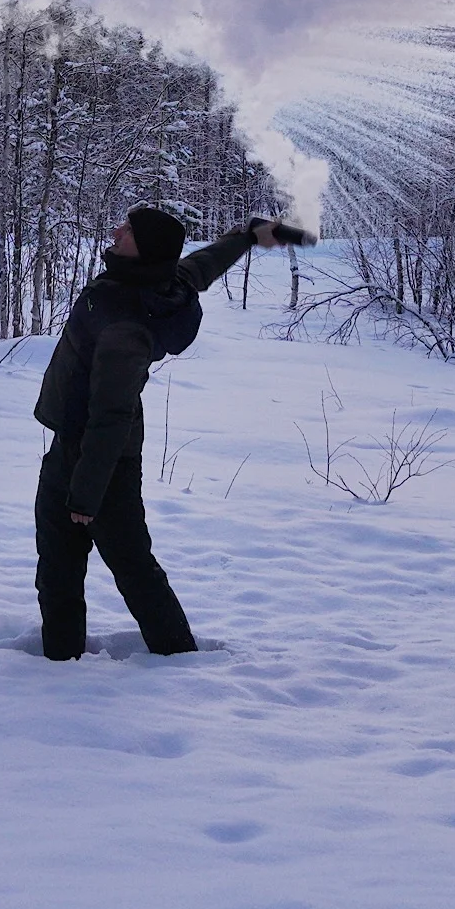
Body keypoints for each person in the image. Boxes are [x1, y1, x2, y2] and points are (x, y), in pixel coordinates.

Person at [32, 207, 283, 660]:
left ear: (144, 249)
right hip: (84, 447)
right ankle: (60, 661)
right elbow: (202, 265)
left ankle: (176, 660)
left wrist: (86, 495)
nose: (116, 231)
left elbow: (111, 413)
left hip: (97, 458)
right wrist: (246, 236)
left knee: (111, 567)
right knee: (66, 566)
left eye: (127, 231)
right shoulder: (159, 280)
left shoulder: (126, 322)